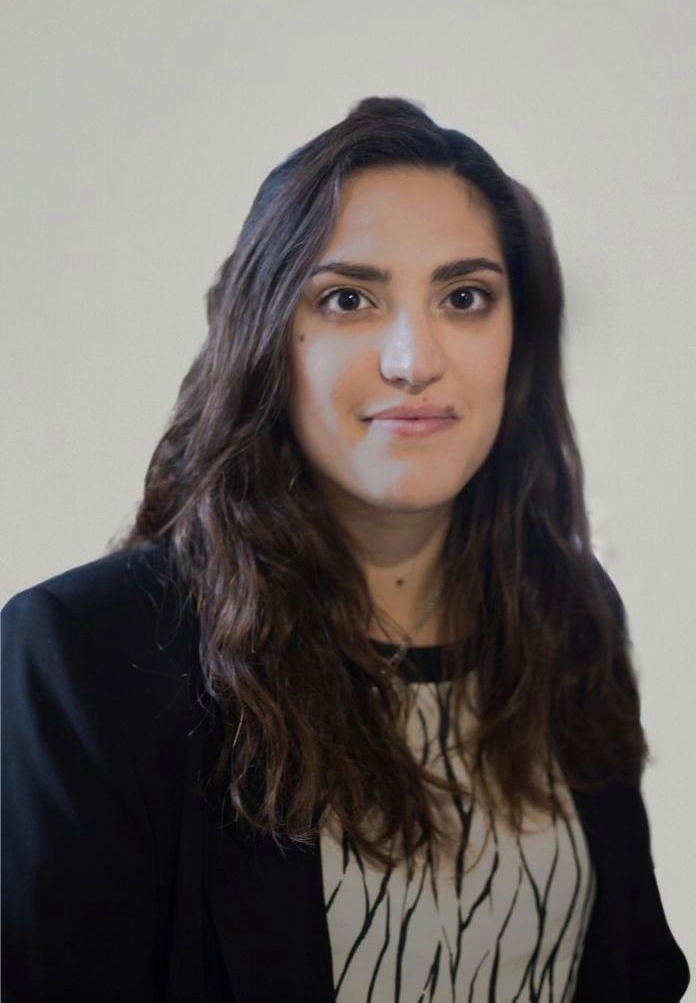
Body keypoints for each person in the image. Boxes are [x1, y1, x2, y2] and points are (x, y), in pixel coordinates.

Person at [2, 96, 689, 1003]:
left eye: (465, 297)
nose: (413, 358)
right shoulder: (84, 652)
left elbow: (637, 973)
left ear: (516, 343)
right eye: (348, 299)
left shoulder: (568, 612)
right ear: (265, 339)